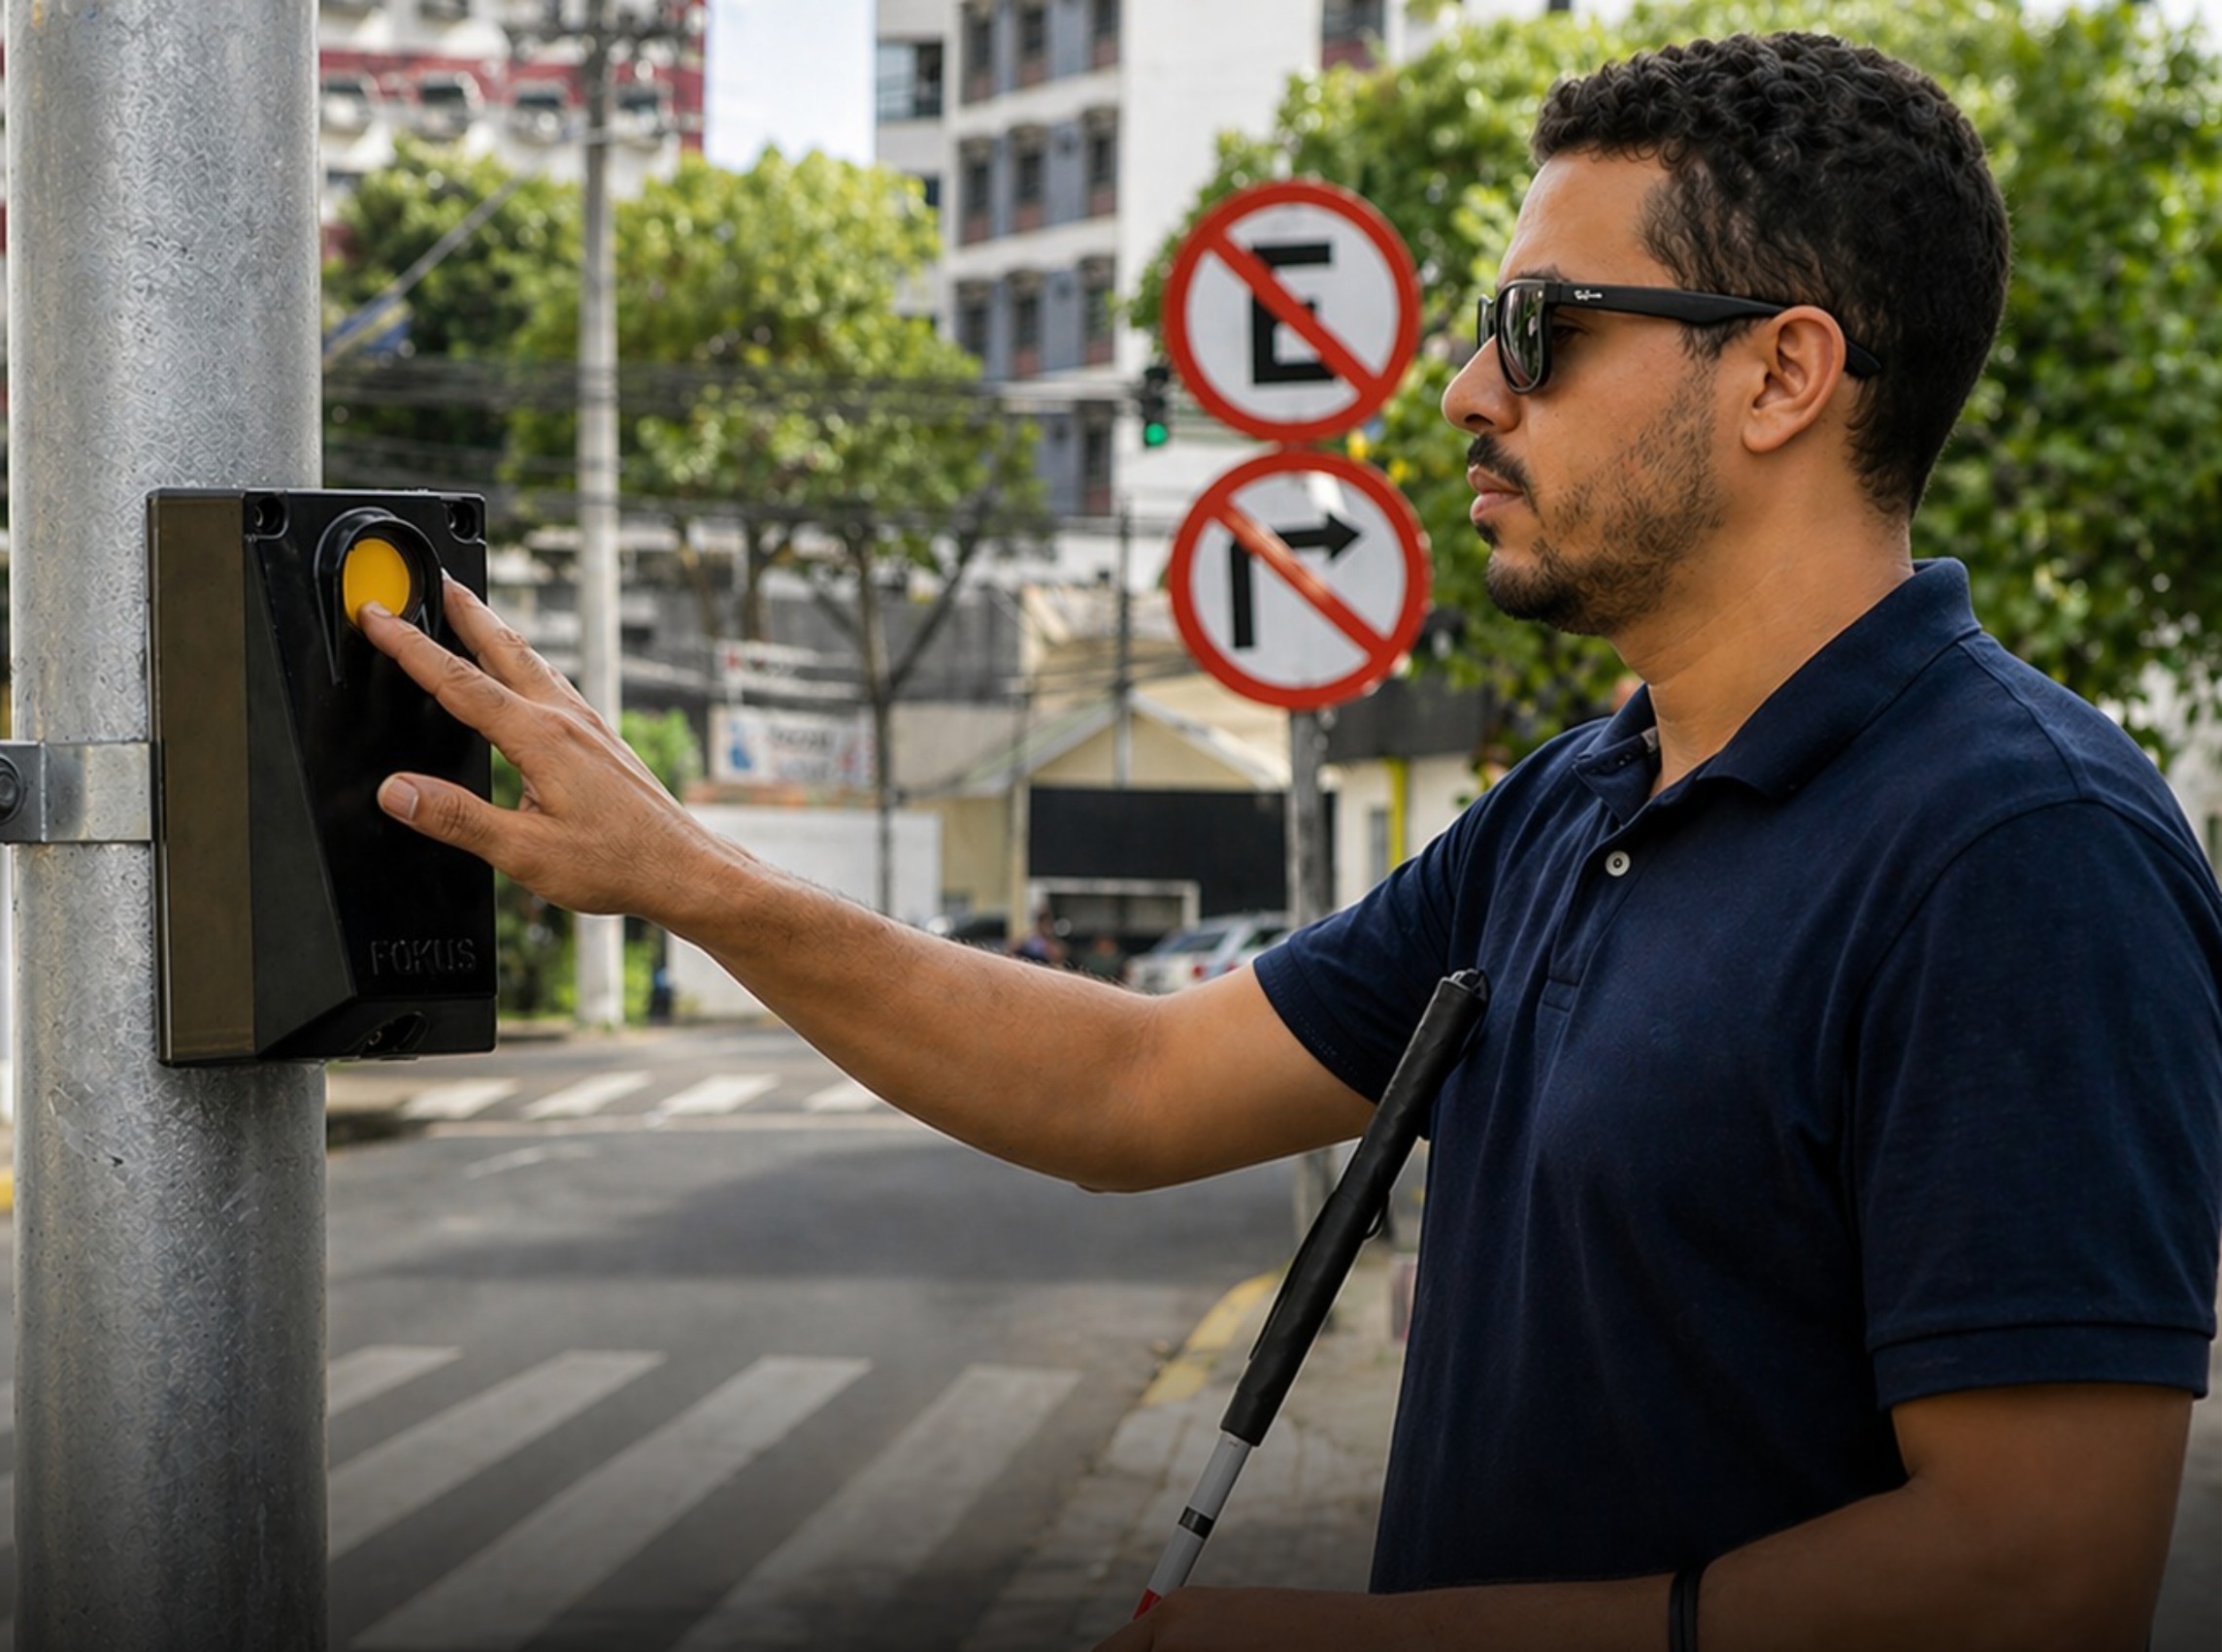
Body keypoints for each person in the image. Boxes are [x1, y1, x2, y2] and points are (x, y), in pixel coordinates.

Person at [357, 31, 2221, 1651]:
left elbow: (2034, 1576)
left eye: (1541, 329)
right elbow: (1134, 1087)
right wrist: (689, 877)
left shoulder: (2021, 852)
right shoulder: (1575, 804)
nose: (1470, 390)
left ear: (1781, 374)